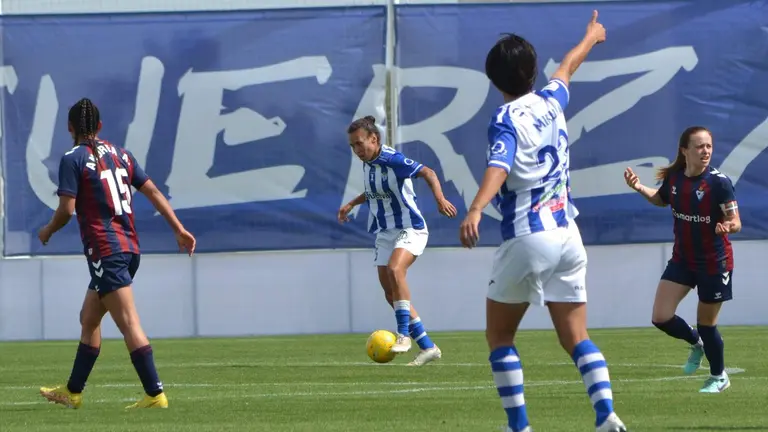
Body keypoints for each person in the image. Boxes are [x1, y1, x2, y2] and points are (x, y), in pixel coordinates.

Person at [458, 11, 627, 432]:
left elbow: (500, 165)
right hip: (568, 234)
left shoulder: (505, 119)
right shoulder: (552, 101)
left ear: (494, 80)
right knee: (576, 336)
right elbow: (568, 65)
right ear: (533, 72)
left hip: (528, 236)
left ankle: (519, 426)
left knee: (499, 337)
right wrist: (591, 36)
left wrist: (477, 207)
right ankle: (606, 415)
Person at [38, 98, 196, 409]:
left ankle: (155, 394)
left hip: (106, 250)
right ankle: (73, 392)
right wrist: (178, 228)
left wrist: (47, 230)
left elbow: (67, 210)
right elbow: (151, 190)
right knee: (89, 318)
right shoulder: (122, 155)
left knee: (128, 322)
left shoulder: (73, 158)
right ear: (99, 126)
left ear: (70, 128)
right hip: (129, 248)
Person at [624, 125, 739, 393]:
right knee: (660, 317)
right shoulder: (675, 177)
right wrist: (640, 187)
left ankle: (719, 376)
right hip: (683, 260)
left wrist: (728, 226)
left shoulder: (719, 183)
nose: (706, 151)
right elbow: (662, 199)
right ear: (685, 150)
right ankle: (695, 343)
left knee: (707, 323)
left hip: (714, 262)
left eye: (709, 146)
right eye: (700, 146)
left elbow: (736, 221)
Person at [338, 115, 457, 366]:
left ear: (374, 139)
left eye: (360, 143)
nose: (357, 150)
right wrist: (351, 203)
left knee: (395, 269)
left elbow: (428, 172)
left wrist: (440, 199)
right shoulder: (368, 163)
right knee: (389, 293)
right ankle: (428, 347)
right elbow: (374, 192)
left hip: (410, 227)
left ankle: (403, 335)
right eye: (353, 146)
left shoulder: (393, 159)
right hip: (385, 231)